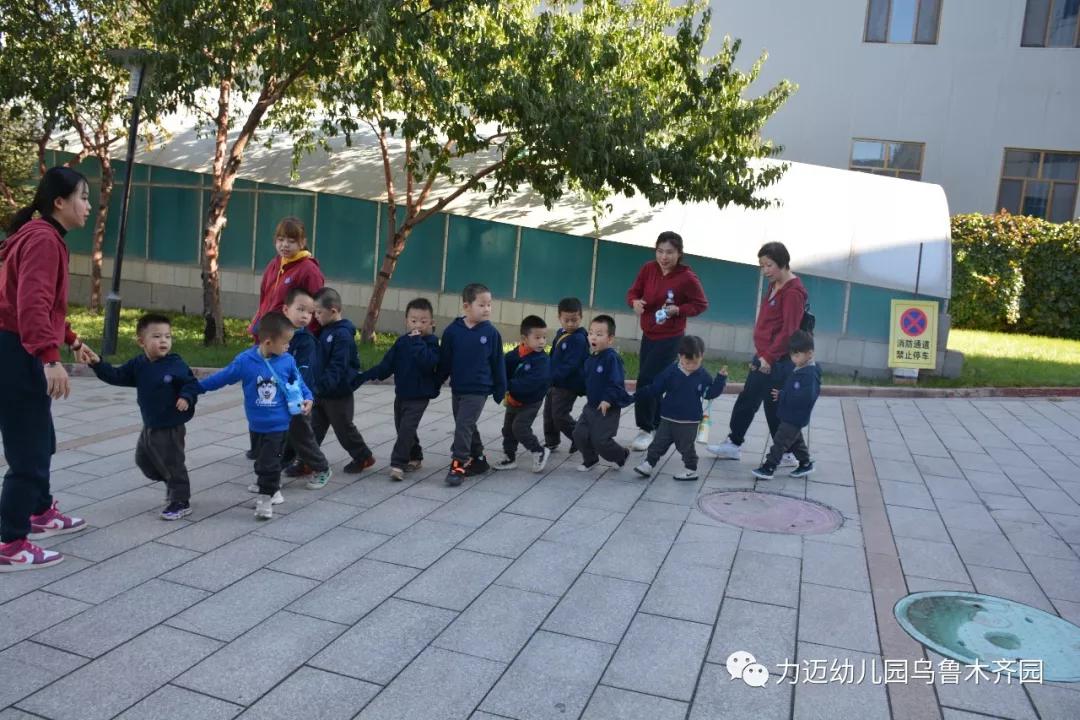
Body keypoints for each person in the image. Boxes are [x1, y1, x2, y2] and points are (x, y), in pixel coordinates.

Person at [0, 167, 93, 571]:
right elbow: (31, 304)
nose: (88, 206)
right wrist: (50, 358)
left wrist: (71, 339)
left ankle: (40, 511)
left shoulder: (42, 236)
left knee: (43, 439)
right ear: (60, 202)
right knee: (29, 452)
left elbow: (46, 305)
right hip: (17, 352)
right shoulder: (42, 240)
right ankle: (10, 542)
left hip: (17, 347)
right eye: (84, 197)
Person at [198, 311, 313, 520]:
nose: (288, 347)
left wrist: (308, 397)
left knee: (268, 462)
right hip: (256, 425)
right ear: (268, 342)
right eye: (286, 342)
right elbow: (223, 377)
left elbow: (299, 383)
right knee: (262, 461)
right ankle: (272, 488)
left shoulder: (287, 361)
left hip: (279, 425)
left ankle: (265, 499)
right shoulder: (245, 361)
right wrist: (196, 388)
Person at [85, 314, 199, 520]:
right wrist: (97, 363)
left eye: (168, 336)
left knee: (173, 463)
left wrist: (186, 397)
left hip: (171, 425)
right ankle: (172, 483)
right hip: (150, 424)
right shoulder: (139, 364)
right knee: (144, 461)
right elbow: (116, 375)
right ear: (141, 342)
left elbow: (190, 383)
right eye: (156, 336)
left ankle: (181, 500)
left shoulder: (175, 363)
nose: (163, 341)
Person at [708, 242, 808, 464]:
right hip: (763, 356)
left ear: (783, 263)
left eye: (769, 265)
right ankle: (734, 443)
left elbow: (789, 331)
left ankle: (789, 453)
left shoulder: (793, 292)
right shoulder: (775, 285)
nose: (765, 271)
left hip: (777, 361)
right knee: (748, 400)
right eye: (762, 266)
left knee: (775, 407)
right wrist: (762, 354)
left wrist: (769, 357)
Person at [245, 216, 324, 459]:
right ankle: (260, 446)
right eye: (280, 239)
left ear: (303, 241)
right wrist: (256, 327)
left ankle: (292, 452)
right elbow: (264, 299)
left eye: (291, 240)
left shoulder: (308, 269)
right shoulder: (275, 264)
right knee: (259, 391)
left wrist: (304, 342)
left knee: (285, 396)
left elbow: (313, 309)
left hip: (291, 343)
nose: (285, 245)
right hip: (266, 338)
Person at [625, 231, 709, 452]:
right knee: (655, 380)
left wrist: (678, 310)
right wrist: (634, 302)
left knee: (646, 379)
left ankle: (646, 429)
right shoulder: (648, 268)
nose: (664, 257)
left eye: (670, 252)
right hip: (649, 334)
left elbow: (700, 304)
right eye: (660, 251)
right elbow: (633, 291)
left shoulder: (687, 277)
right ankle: (660, 424)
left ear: (679, 254)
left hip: (670, 338)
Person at [356, 297, 440, 481]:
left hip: (420, 396)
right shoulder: (402, 342)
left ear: (432, 323)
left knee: (406, 429)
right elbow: (388, 365)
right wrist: (367, 375)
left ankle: (398, 464)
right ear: (406, 321)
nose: (418, 324)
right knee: (402, 427)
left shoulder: (432, 343)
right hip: (402, 394)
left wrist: (418, 341)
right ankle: (415, 456)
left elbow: (428, 362)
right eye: (413, 320)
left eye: (423, 321)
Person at [437, 283, 507, 486]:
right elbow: (445, 360)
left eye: (489, 304)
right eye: (482, 304)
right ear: (466, 306)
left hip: (479, 389)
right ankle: (479, 460)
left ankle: (458, 464)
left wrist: (500, 388)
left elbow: (497, 362)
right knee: (466, 424)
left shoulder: (491, 333)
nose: (487, 309)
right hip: (458, 387)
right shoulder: (453, 331)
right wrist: (437, 381)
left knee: (463, 425)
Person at [632, 335, 727, 482]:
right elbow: (657, 387)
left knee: (686, 447)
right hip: (667, 417)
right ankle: (648, 464)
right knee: (658, 443)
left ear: (702, 356)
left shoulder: (703, 375)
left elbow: (710, 394)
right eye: (687, 362)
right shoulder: (671, 371)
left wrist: (720, 380)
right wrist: (639, 395)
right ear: (679, 356)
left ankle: (690, 469)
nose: (691, 366)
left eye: (696, 362)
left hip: (689, 421)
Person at [270, 287, 332, 496]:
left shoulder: (306, 342)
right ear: (286, 309)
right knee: (281, 437)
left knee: (303, 438)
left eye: (310, 312)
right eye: (301, 309)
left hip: (299, 401)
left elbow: (303, 374)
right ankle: (271, 476)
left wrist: (303, 398)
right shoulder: (278, 336)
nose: (306, 316)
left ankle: (322, 468)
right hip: (279, 398)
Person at [311, 287, 374, 475]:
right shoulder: (325, 331)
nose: (315, 316)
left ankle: (363, 456)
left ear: (333, 311)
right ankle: (307, 459)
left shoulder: (342, 335)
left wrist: (323, 385)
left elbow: (338, 366)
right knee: (314, 428)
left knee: (343, 428)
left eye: (319, 312)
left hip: (338, 393)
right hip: (322, 391)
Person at [752, 330, 820, 480]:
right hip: (790, 413)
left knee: (780, 441)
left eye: (797, 355)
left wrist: (784, 395)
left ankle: (769, 467)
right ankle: (805, 463)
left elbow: (806, 396)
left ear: (809, 354)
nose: (794, 359)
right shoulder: (800, 368)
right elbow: (793, 387)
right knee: (796, 441)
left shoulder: (809, 374)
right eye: (792, 355)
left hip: (795, 415)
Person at [574, 315, 634, 472]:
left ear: (610, 339)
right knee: (579, 434)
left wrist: (607, 399)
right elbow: (586, 380)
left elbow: (616, 383)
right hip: (591, 406)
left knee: (601, 440)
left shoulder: (612, 359)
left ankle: (621, 454)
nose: (593, 337)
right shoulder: (590, 358)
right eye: (591, 333)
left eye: (599, 334)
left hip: (608, 407)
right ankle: (590, 459)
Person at [494, 315, 552, 473]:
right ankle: (509, 457)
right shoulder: (515, 354)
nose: (542, 341)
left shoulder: (542, 361)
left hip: (531, 400)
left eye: (544, 337)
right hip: (514, 399)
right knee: (507, 429)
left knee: (519, 428)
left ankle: (539, 451)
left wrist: (506, 385)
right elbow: (502, 368)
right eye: (537, 337)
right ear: (524, 338)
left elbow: (529, 384)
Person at [543, 297, 587, 454]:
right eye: (566, 320)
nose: (570, 324)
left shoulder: (579, 339)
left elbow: (571, 365)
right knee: (548, 413)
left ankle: (580, 437)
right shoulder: (560, 333)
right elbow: (553, 354)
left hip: (568, 385)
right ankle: (551, 441)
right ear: (559, 318)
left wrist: (553, 376)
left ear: (581, 317)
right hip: (554, 382)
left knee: (559, 414)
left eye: (574, 320)